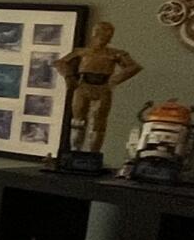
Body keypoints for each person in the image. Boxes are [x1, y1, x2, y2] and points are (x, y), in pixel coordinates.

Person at [55, 22, 142, 159]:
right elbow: (61, 63)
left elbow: (133, 67)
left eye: (107, 34)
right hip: (83, 86)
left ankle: (92, 154)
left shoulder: (116, 54)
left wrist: (115, 80)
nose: (103, 37)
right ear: (94, 34)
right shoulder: (81, 52)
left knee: (98, 122)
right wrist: (69, 77)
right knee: (78, 120)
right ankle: (74, 151)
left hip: (103, 88)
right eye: (100, 32)